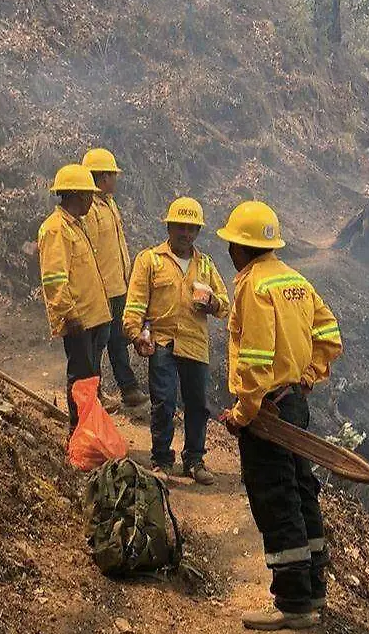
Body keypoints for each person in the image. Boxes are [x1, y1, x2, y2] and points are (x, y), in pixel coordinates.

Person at [216, 200, 343, 631]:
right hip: (295, 404)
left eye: (231, 244)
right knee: (301, 488)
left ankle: (292, 602)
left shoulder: (254, 287)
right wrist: (309, 375)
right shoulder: (295, 280)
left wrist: (243, 413)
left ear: (241, 247)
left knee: (276, 495)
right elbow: (329, 334)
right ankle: (313, 588)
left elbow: (253, 362)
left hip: (268, 409)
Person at [123, 197, 229, 484]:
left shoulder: (205, 265)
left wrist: (212, 304)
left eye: (191, 228)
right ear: (169, 227)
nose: (186, 233)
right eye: (180, 227)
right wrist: (135, 334)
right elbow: (135, 304)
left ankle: (194, 460)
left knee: (197, 404)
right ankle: (161, 460)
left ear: (197, 232)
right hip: (162, 342)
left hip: (195, 343)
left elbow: (226, 306)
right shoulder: (150, 260)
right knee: (164, 403)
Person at [37, 163, 114, 428]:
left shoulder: (76, 226)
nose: (92, 201)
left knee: (89, 378)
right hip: (78, 319)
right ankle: (79, 434)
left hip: (91, 317)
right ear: (78, 195)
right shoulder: (56, 229)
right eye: (89, 195)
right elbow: (54, 280)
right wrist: (69, 316)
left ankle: (90, 432)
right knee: (81, 379)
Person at [82, 148, 148, 407]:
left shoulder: (108, 203)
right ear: (102, 177)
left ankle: (128, 388)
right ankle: (93, 395)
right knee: (98, 344)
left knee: (119, 339)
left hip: (118, 286)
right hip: (101, 289)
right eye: (113, 175)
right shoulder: (90, 209)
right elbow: (89, 252)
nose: (116, 180)